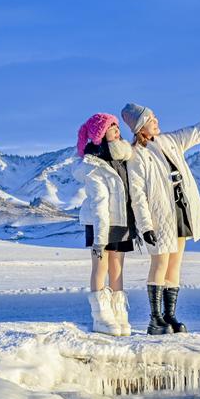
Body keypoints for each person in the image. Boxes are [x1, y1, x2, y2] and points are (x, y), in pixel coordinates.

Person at [123, 96, 200, 335]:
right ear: (140, 127)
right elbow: (137, 195)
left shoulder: (170, 141)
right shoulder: (136, 155)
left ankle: (170, 316)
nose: (156, 121)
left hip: (180, 209)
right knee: (160, 262)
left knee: (175, 264)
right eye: (150, 119)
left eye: (155, 117)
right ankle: (155, 319)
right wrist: (145, 226)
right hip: (159, 215)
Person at [73, 113, 136, 336]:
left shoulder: (123, 157)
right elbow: (99, 203)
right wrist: (100, 239)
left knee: (117, 267)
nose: (117, 130)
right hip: (101, 222)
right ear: (100, 134)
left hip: (120, 220)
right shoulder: (93, 165)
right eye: (111, 127)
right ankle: (101, 317)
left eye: (117, 126)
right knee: (100, 265)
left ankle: (119, 315)